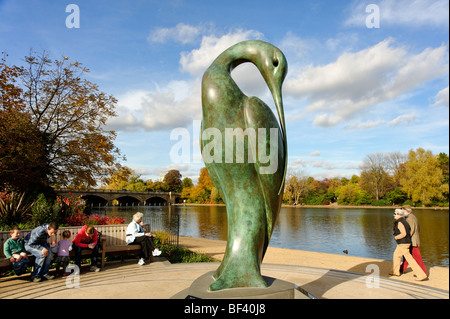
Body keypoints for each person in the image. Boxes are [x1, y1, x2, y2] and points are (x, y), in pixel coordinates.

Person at [390, 209, 427, 281]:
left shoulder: (400, 222)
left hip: (403, 243)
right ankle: (396, 272)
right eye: (394, 213)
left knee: (410, 259)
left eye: (395, 213)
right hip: (404, 243)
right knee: (396, 255)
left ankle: (421, 275)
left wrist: (396, 237)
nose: (394, 215)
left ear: (399, 214)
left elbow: (404, 233)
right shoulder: (404, 221)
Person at [400, 205, 427, 276]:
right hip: (412, 240)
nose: (402, 211)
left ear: (407, 210)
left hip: (412, 241)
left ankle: (423, 272)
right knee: (406, 256)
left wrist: (404, 239)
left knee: (417, 258)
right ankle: (401, 269)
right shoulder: (411, 217)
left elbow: (410, 231)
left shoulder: (410, 218)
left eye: (403, 209)